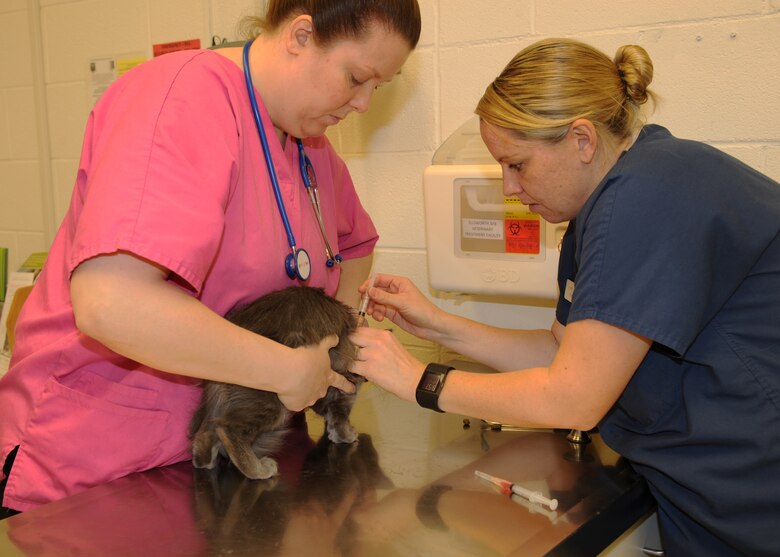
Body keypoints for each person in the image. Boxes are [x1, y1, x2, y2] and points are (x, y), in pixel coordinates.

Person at [349, 38, 780, 556]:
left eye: (517, 165)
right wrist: (439, 324)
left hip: (756, 487)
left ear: (581, 139)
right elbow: (565, 354)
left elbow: (573, 397)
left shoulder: (646, 195)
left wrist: (421, 381)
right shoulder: (605, 203)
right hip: (709, 484)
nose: (509, 189)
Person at [0, 0, 421, 515]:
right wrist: (286, 370)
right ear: (302, 35)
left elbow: (355, 244)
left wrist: (330, 342)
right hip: (101, 470)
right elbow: (111, 303)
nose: (363, 104)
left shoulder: (312, 149)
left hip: (221, 464)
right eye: (356, 77)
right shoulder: (181, 99)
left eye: (380, 87)